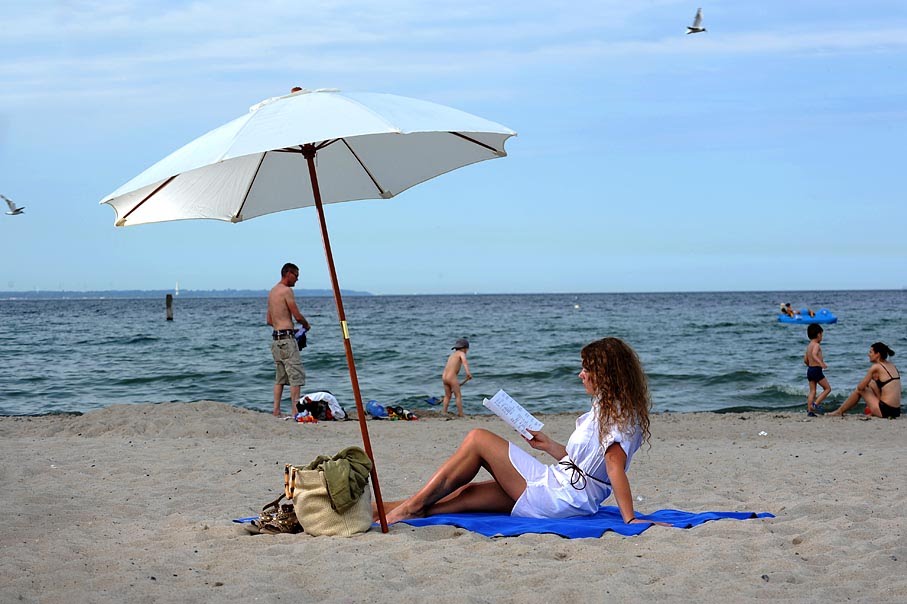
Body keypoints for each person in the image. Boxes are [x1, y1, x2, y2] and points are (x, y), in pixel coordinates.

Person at [381, 337, 654, 526]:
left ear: (606, 374)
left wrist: (628, 518)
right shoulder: (606, 408)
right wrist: (548, 445)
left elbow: (614, 467)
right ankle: (386, 511)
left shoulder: (618, 418)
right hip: (559, 484)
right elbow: (584, 466)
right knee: (468, 495)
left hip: (562, 498)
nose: (581, 374)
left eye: (587, 369)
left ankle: (410, 507)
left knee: (478, 438)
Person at [266, 262, 311, 417]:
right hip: (287, 340)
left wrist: (287, 326)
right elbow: (297, 315)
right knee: (296, 376)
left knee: (280, 377)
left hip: (276, 340)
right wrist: (306, 325)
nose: (297, 280)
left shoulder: (272, 292)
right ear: (288, 273)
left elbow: (269, 320)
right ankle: (295, 412)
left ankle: (276, 410)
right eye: (296, 275)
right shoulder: (286, 291)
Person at [828, 342, 901, 419]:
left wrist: (866, 383)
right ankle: (873, 410)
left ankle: (839, 411)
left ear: (877, 354)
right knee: (872, 383)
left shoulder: (876, 367)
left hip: (885, 411)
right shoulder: (892, 365)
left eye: (870, 352)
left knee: (860, 389)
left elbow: (860, 387)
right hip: (896, 411)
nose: (868, 354)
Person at [804, 324, 832, 416]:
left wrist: (809, 365)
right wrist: (821, 363)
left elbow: (805, 359)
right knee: (827, 388)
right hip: (816, 370)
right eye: (822, 335)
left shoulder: (809, 346)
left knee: (812, 391)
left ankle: (810, 411)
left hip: (810, 370)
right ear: (819, 334)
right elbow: (814, 354)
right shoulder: (816, 345)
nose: (822, 337)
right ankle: (815, 405)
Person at [441, 338, 473, 417]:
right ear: (465, 348)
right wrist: (468, 373)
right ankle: (461, 413)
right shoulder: (461, 354)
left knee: (447, 396)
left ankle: (444, 411)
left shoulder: (452, 355)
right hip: (452, 376)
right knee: (458, 395)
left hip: (444, 376)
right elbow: (465, 362)